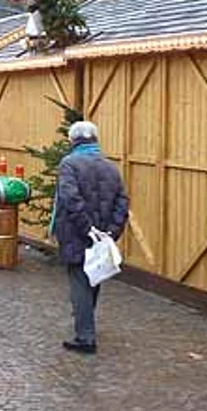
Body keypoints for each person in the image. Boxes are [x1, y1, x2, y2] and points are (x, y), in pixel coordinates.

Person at [51, 120, 129, 354]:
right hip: (103, 235)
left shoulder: (69, 164)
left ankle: (85, 336)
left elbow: (70, 198)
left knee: (79, 281)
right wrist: (112, 232)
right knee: (93, 279)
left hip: (77, 232)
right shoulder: (110, 167)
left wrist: (86, 228)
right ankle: (86, 325)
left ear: (73, 140)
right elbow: (122, 202)